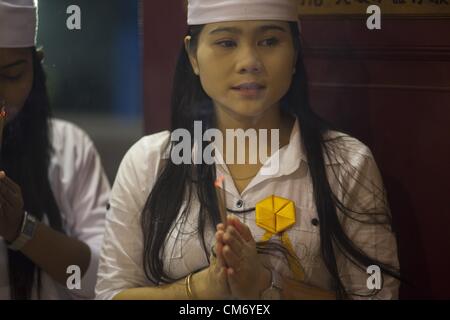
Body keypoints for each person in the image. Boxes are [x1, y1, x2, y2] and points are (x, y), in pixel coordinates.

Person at [96, 0, 400, 300]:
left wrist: (267, 285)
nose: (249, 61)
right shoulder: (149, 162)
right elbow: (111, 293)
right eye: (227, 42)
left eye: (269, 41)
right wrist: (200, 289)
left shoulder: (346, 162)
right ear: (193, 56)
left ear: (294, 52)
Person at [0, 0, 110, 299]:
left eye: (11, 76)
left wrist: (21, 229)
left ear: (36, 67)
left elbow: (105, 276)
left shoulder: (70, 148)